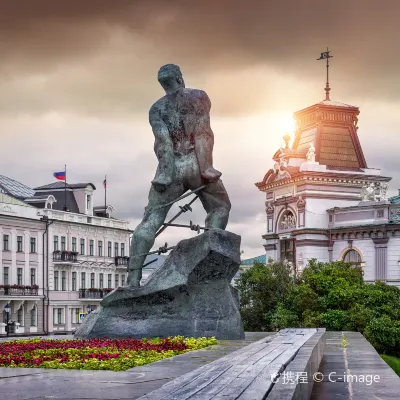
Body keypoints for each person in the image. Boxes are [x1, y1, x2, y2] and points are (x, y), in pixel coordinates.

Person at [127, 64, 231, 287]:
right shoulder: (198, 97)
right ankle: (209, 263)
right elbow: (203, 132)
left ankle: (133, 280)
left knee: (150, 221)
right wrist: (206, 168)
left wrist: (165, 173)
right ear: (180, 78)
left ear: (163, 84)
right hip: (196, 163)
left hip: (171, 168)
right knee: (220, 207)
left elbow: (162, 142)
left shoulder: (156, 109)